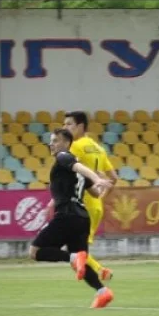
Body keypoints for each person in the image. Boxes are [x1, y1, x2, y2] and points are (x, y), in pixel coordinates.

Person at [28, 128, 115, 308]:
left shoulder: (63, 157)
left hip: (67, 216)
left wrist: (95, 177)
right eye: (50, 141)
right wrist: (100, 182)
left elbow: (78, 167)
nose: (51, 144)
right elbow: (96, 194)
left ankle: (74, 257)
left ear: (67, 144)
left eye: (55, 140)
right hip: (82, 218)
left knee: (35, 252)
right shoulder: (74, 167)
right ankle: (102, 292)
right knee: (80, 263)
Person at [63, 111, 116, 282]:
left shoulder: (74, 146)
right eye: (64, 124)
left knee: (74, 250)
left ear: (80, 126)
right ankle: (99, 275)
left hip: (81, 203)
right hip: (95, 204)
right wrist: (100, 198)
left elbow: (70, 170)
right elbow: (113, 178)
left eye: (69, 124)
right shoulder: (98, 148)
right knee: (77, 248)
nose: (65, 128)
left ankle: (101, 273)